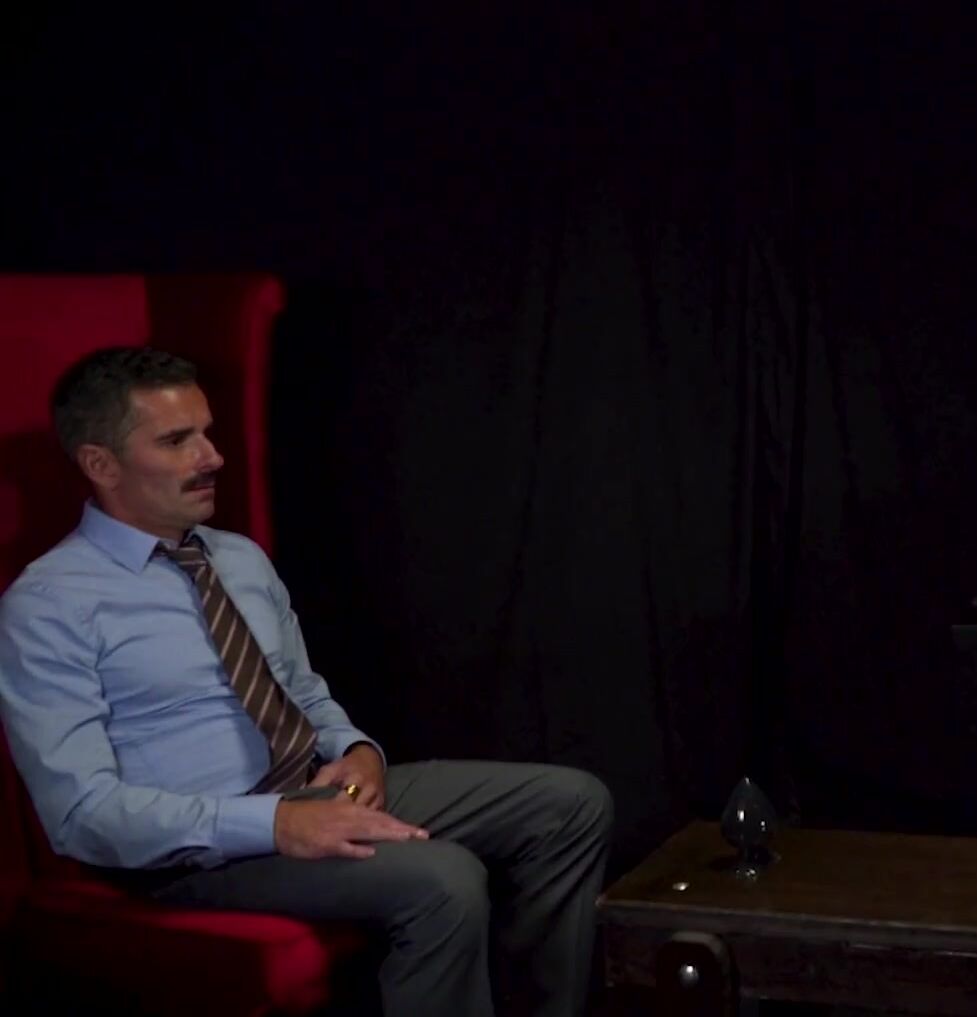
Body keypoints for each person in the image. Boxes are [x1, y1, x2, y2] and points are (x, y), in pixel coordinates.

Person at [0, 346, 614, 1017]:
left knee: (570, 803)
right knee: (444, 878)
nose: (213, 456)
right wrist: (274, 823)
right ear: (101, 464)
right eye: (177, 441)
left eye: (207, 432)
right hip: (191, 852)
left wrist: (357, 750)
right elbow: (82, 815)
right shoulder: (48, 603)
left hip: (308, 789)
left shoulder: (238, 557)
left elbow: (302, 690)